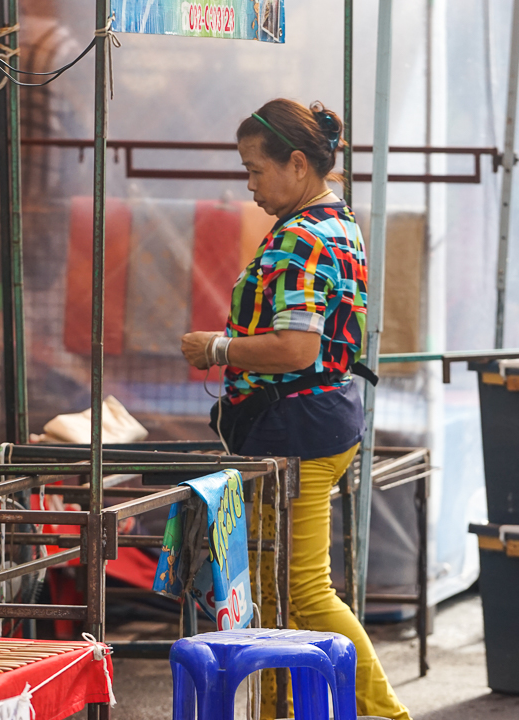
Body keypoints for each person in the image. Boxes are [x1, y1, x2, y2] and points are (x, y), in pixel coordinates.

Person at [180, 98, 411, 720]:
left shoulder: (305, 238)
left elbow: (296, 346)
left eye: (256, 169)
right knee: (275, 592)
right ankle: (287, 709)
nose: (249, 184)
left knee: (305, 590)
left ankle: (388, 714)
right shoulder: (334, 220)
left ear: (299, 163)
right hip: (314, 421)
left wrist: (217, 348)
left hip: (298, 430)